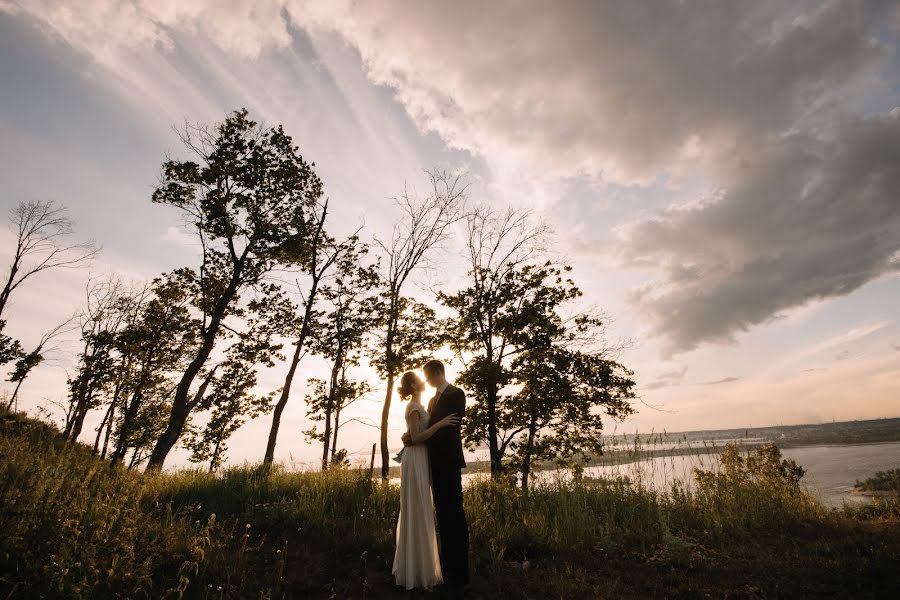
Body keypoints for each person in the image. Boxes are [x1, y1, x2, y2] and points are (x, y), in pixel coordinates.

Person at [402, 359, 470, 598]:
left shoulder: (455, 394)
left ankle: (462, 577)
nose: (427, 381)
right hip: (432, 465)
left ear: (438, 373)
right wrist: (412, 437)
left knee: (455, 516)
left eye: (429, 377)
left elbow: (449, 429)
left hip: (449, 463)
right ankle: (448, 571)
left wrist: (417, 437)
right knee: (442, 517)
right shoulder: (431, 401)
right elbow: (424, 427)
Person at [392, 370, 459, 591]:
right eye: (418, 379)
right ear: (412, 385)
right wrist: (439, 425)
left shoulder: (424, 404)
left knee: (422, 509)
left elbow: (414, 433)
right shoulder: (413, 406)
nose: (423, 381)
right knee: (416, 509)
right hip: (415, 457)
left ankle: (423, 567)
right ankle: (414, 571)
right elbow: (417, 437)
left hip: (422, 458)